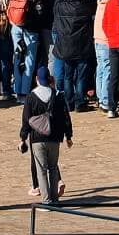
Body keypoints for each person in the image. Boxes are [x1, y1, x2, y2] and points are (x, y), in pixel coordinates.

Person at [20, 73, 73, 205]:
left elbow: (26, 119)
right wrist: (68, 136)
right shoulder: (58, 95)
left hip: (37, 137)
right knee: (53, 168)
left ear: (37, 80)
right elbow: (66, 117)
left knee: (41, 170)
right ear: (49, 80)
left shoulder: (31, 96)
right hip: (55, 137)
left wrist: (23, 138)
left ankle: (46, 200)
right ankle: (55, 199)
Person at [49, 0, 95, 111]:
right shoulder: (84, 6)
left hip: (66, 46)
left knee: (68, 76)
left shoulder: (60, 6)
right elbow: (94, 7)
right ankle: (79, 103)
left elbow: (55, 13)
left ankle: (69, 103)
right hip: (82, 46)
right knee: (81, 77)